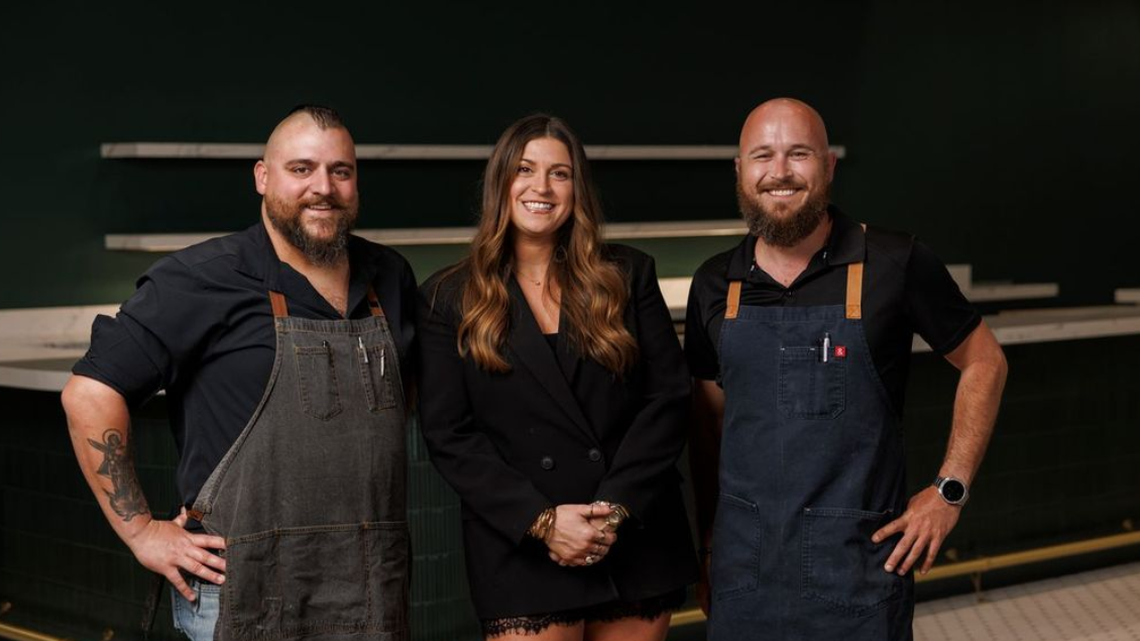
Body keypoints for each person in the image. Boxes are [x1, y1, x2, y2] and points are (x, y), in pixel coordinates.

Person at [61, 105, 416, 641]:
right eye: (301, 169)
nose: (323, 187)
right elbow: (89, 394)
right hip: (244, 593)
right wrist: (141, 533)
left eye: (340, 171)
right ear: (262, 176)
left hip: (370, 590)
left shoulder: (389, 276)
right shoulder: (199, 278)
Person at [685, 98, 1008, 640]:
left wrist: (948, 490)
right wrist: (709, 545)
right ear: (740, 171)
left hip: (859, 575)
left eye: (799, 154)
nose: (780, 172)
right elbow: (709, 423)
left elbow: (985, 361)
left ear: (829, 165)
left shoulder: (894, 261)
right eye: (762, 156)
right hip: (744, 576)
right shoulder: (715, 283)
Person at [417, 114, 697, 640]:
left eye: (560, 173)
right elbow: (449, 435)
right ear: (501, 182)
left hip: (631, 533)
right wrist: (543, 521)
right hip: (521, 544)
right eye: (525, 169)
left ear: (578, 189)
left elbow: (668, 398)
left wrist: (613, 510)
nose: (541, 187)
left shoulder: (628, 273)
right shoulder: (447, 297)